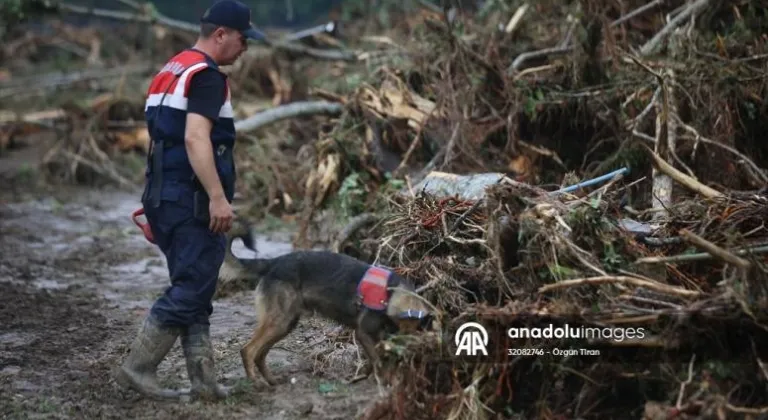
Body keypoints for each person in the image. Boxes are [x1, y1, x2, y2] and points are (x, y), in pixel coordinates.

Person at [114, 0, 268, 401]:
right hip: (191, 200)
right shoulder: (207, 77)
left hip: (163, 195)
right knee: (191, 289)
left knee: (194, 287)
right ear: (220, 34)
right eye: (241, 39)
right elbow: (195, 138)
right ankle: (138, 367)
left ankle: (204, 384)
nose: (245, 48)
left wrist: (159, 203)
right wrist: (217, 198)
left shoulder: (172, 69)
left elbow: (162, 140)